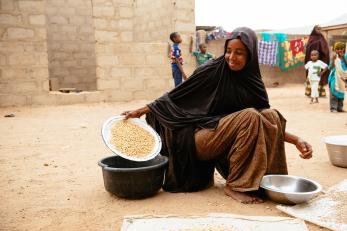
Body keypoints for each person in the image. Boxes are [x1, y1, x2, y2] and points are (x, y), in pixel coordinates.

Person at [122, 27, 313, 204]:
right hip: (196, 139)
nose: (231, 57)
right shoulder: (212, 69)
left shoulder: (252, 79)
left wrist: (296, 140)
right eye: (229, 50)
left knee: (270, 115)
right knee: (250, 116)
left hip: (223, 136)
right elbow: (173, 98)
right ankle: (235, 186)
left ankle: (268, 180)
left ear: (251, 54)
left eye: (239, 52)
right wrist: (139, 111)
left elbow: (267, 123)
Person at [304, 25, 330, 97]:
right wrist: (318, 43)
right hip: (312, 59)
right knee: (312, 76)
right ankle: (310, 93)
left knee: (319, 76)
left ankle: (320, 93)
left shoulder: (322, 38)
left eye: (320, 29)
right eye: (317, 29)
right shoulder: (311, 38)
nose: (319, 30)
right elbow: (309, 48)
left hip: (321, 59)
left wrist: (321, 45)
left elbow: (325, 48)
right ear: (314, 30)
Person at [328, 42, 347, 113]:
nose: (340, 50)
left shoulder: (345, 56)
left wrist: (344, 58)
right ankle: (333, 108)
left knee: (341, 92)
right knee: (334, 91)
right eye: (338, 49)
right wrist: (333, 60)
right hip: (335, 77)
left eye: (341, 49)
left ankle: (339, 108)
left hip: (342, 78)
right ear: (335, 50)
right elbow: (331, 68)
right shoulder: (334, 57)